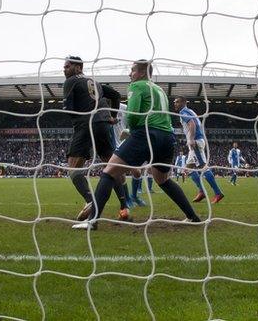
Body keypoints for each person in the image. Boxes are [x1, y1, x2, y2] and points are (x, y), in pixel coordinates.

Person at [73, 60, 201, 230]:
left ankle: (92, 221)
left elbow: (132, 115)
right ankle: (192, 217)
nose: (129, 74)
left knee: (108, 173)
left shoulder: (137, 86)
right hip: (167, 137)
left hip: (147, 134)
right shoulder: (159, 89)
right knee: (162, 179)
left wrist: (129, 131)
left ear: (141, 73)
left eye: (132, 70)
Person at [62, 56, 131, 222]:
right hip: (104, 123)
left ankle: (91, 202)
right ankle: (124, 208)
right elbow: (115, 95)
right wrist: (113, 116)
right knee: (111, 167)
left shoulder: (70, 81)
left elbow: (69, 111)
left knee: (73, 168)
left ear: (79, 67)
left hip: (86, 124)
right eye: (64, 67)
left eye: (67, 66)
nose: (64, 69)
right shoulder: (95, 82)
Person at [173, 96, 224, 205]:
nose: (175, 104)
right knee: (189, 169)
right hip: (197, 141)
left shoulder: (184, 111)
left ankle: (218, 192)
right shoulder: (191, 111)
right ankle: (202, 191)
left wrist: (191, 139)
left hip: (195, 142)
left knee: (203, 167)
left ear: (183, 102)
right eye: (174, 102)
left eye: (177, 102)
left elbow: (192, 123)